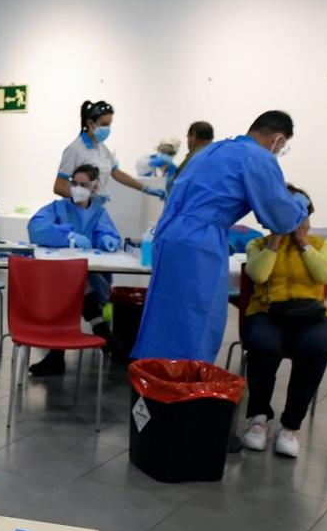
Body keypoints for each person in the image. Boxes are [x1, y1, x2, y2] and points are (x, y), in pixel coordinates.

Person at [131, 111, 307, 363]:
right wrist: (301, 203)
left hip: (169, 235)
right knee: (197, 320)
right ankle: (185, 385)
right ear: (278, 140)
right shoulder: (258, 157)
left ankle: (151, 381)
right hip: (200, 242)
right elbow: (280, 218)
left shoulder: (213, 150)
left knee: (164, 314)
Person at [238, 186, 327, 459]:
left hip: (310, 315)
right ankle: (258, 419)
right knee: (263, 345)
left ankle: (290, 427)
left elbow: (325, 274)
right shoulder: (258, 244)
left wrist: (303, 242)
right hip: (267, 314)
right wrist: (276, 240)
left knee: (316, 346)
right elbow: (258, 275)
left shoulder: (319, 245)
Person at [25, 164, 122, 374]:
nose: (77, 188)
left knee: (78, 284)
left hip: (88, 275)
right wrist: (67, 235)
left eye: (83, 185)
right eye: (74, 183)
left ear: (94, 187)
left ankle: (58, 354)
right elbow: (36, 226)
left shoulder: (98, 212)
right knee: (72, 286)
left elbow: (108, 233)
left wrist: (107, 239)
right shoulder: (58, 208)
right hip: (58, 276)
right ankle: (105, 336)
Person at [54, 100, 166, 203]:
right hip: (77, 209)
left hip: (95, 209)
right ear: (90, 123)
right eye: (104, 124)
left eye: (109, 124)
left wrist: (146, 188)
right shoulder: (75, 150)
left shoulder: (102, 148)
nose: (107, 129)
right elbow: (59, 187)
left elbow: (117, 173)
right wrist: (86, 196)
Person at [166, 120, 214, 193]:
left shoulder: (195, 156)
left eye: (188, 136)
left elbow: (178, 185)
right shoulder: (217, 152)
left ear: (194, 135)